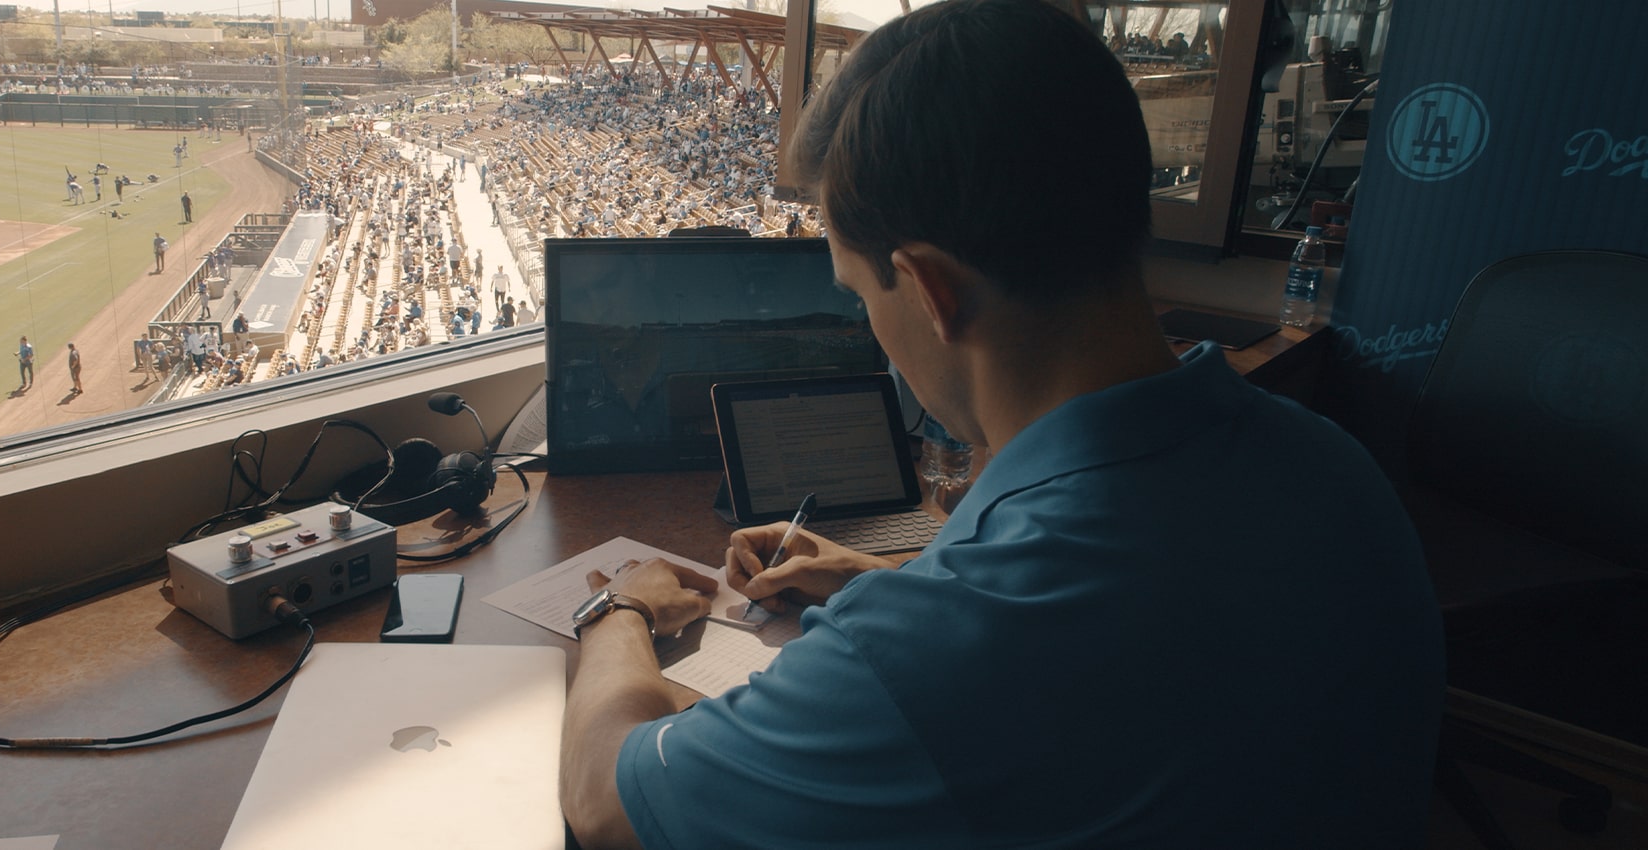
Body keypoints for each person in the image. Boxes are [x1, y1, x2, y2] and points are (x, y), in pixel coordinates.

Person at [555, 2, 1444, 848]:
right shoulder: (1331, 465)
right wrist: (878, 578)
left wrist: (620, 608)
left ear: (933, 291)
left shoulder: (938, 651)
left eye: (860, 294)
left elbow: (603, 798)